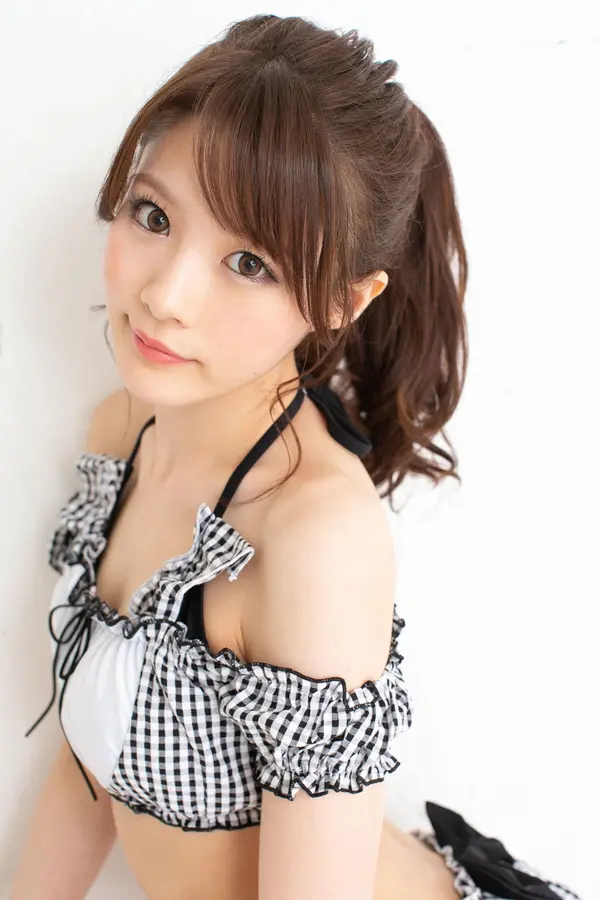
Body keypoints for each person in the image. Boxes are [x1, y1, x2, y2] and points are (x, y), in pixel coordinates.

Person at [11, 14, 582, 900]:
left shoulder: (314, 536)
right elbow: (92, 758)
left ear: (343, 303)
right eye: (154, 215)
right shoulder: (120, 432)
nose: (166, 296)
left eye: (249, 262)